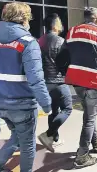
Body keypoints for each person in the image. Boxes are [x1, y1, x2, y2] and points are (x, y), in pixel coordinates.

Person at [0, 2, 51, 172]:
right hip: (22, 105)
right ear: (24, 19)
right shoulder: (28, 42)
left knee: (16, 136)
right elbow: (36, 79)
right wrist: (46, 104)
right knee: (27, 145)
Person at [55, 7, 97, 168]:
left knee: (89, 112)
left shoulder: (72, 32)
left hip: (76, 81)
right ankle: (82, 155)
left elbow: (61, 58)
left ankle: (96, 140)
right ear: (96, 19)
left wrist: (67, 71)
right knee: (89, 117)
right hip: (93, 81)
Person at [37, 13, 73, 152]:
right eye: (59, 21)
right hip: (58, 81)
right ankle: (48, 134)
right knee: (67, 108)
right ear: (55, 25)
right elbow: (65, 63)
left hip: (45, 82)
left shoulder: (39, 41)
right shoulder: (60, 41)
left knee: (54, 111)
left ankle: (54, 140)